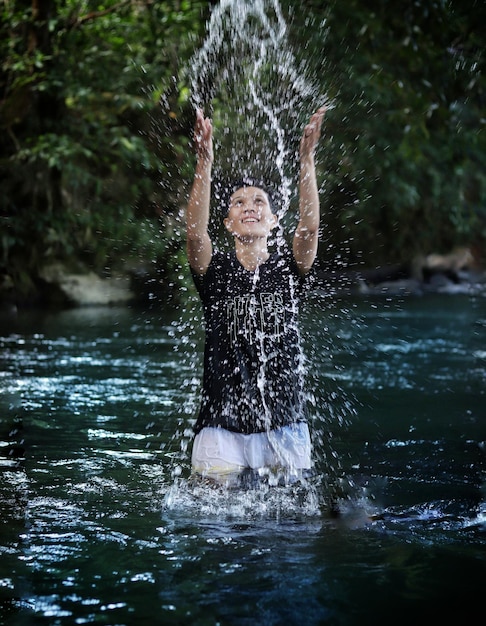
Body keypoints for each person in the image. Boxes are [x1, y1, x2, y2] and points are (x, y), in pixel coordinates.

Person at [186, 106, 326, 486]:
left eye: (259, 202)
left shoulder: (289, 268)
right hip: (220, 427)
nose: (249, 207)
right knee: (212, 525)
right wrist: (204, 162)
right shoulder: (214, 273)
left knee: (293, 525)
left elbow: (310, 230)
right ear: (228, 224)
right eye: (238, 203)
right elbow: (196, 237)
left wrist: (306, 160)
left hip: (284, 424)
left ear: (274, 221)